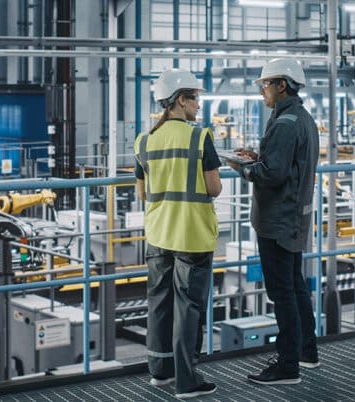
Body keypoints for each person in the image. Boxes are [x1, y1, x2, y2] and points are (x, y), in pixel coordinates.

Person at [228, 58, 320, 385]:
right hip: (293, 218)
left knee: (282, 293)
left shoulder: (284, 123)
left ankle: (287, 366)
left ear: (282, 85)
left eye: (266, 84)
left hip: (277, 221)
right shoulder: (302, 118)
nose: (262, 91)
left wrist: (242, 167)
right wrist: (259, 157)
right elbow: (286, 163)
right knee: (295, 286)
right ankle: (306, 352)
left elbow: (273, 175)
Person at [134, 68, 222, 400]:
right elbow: (213, 188)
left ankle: (160, 372)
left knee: (159, 302)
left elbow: (142, 193)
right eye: (195, 98)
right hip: (192, 235)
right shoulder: (200, 137)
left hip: (158, 234)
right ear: (180, 100)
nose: (198, 105)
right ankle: (187, 382)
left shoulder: (144, 140)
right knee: (188, 308)